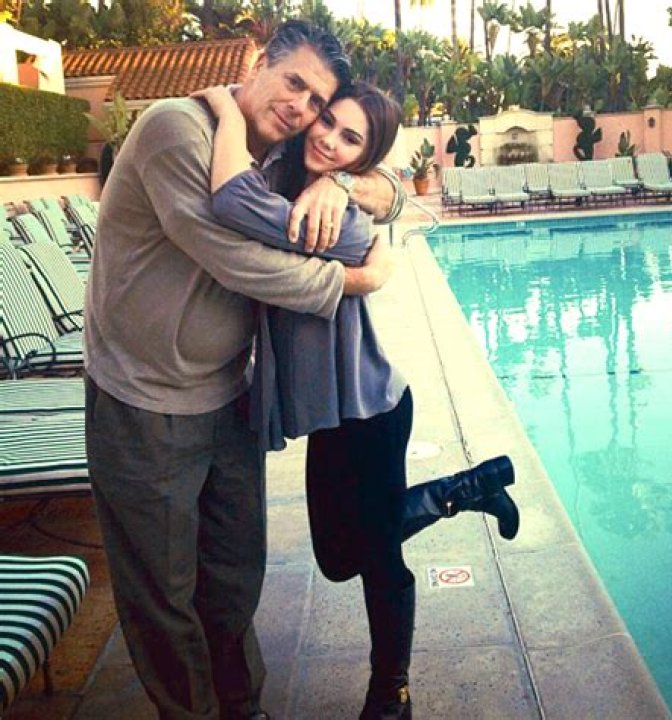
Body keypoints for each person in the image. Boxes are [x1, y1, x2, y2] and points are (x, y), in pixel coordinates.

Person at [84, 21, 405, 720]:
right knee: (163, 594)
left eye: (316, 100)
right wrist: (355, 279)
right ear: (258, 63)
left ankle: (243, 705)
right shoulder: (177, 129)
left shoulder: (285, 150)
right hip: (145, 400)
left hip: (229, 394)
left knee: (232, 575)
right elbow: (235, 258)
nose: (301, 108)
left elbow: (388, 177)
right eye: (294, 83)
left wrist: (345, 186)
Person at [193, 81, 520, 719]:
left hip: (371, 412)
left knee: (376, 559)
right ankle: (467, 489)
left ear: (366, 156)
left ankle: (391, 692)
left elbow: (231, 200)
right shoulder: (289, 183)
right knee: (337, 557)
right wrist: (337, 179)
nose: (329, 141)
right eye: (329, 123)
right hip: (333, 415)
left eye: (351, 141)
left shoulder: (333, 219)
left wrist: (228, 109)